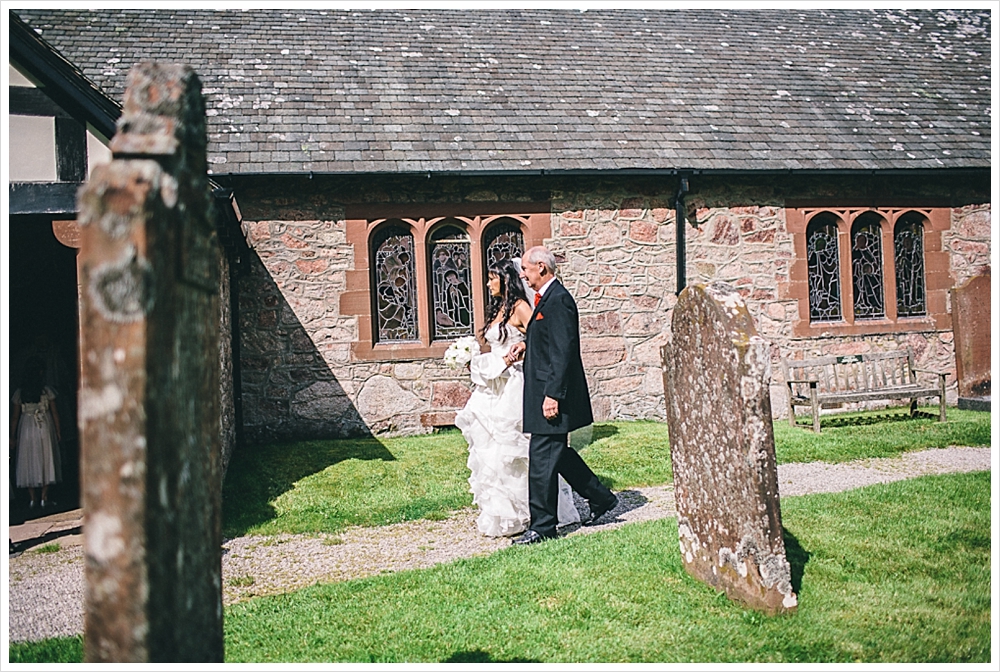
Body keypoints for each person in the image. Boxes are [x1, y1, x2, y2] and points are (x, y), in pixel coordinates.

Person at [455, 259, 580, 537]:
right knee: (492, 451)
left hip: (515, 385)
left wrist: (521, 350)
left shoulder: (524, 307)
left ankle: (534, 514)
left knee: (521, 452)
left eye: (492, 278)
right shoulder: (498, 308)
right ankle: (503, 512)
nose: (488, 284)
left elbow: (544, 341)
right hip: (494, 386)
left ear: (505, 278)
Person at [508, 246, 618, 545]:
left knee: (541, 458)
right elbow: (548, 342)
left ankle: (542, 526)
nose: (523, 275)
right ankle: (601, 498)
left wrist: (553, 395)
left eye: (527, 270)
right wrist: (527, 346)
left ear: (541, 267)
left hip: (551, 394)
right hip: (543, 391)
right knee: (557, 454)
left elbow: (563, 351)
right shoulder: (546, 300)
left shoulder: (559, 301)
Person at [10, 356, 62, 509]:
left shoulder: (20, 393)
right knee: (45, 457)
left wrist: (12, 436)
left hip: (26, 426)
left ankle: (32, 498)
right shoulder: (47, 391)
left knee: (28, 459)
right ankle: (44, 497)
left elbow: (14, 417)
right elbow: (55, 413)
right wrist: (58, 431)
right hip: (44, 425)